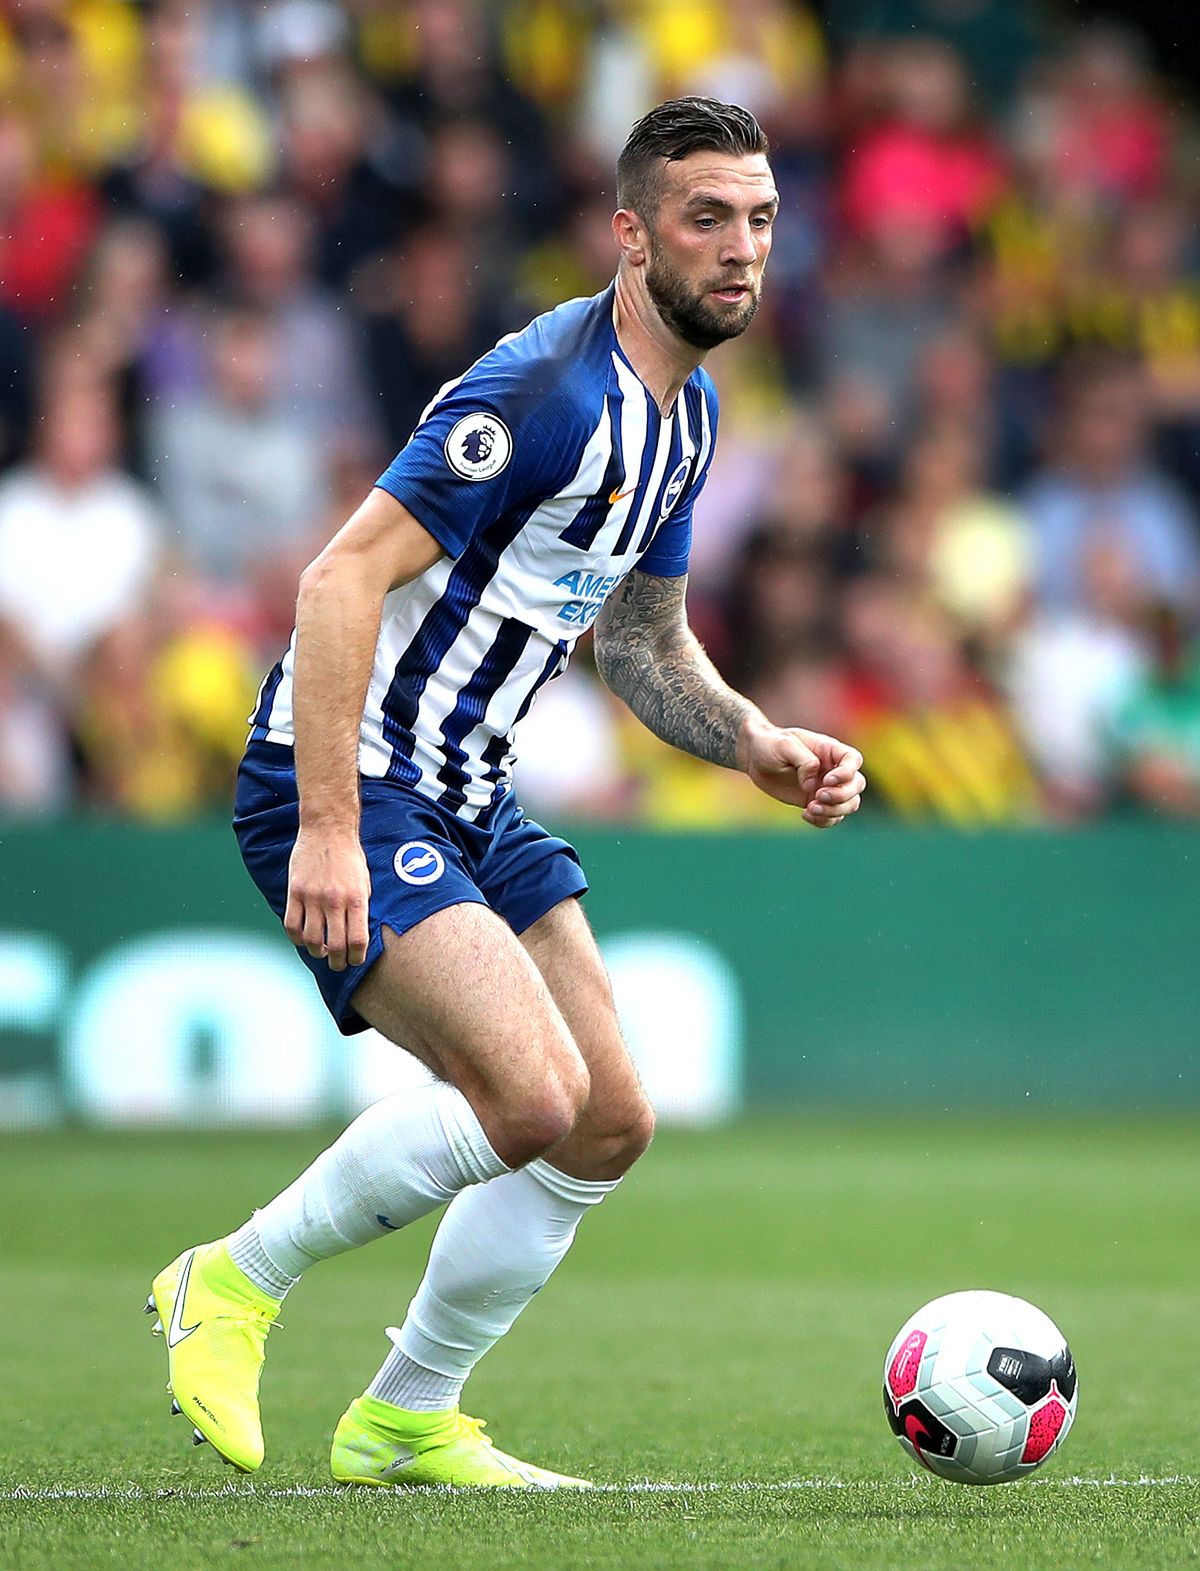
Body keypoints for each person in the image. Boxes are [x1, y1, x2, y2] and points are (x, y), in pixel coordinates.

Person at [145, 96, 866, 1490]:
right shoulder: (540, 392)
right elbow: (337, 578)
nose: (742, 249)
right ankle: (228, 1282)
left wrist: (755, 740)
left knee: (608, 1117)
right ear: (630, 232)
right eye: (708, 217)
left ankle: (406, 1416)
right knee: (527, 1094)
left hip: (470, 792)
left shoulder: (688, 415)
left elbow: (642, 641)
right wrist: (336, 829)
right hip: (346, 780)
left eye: (762, 219)